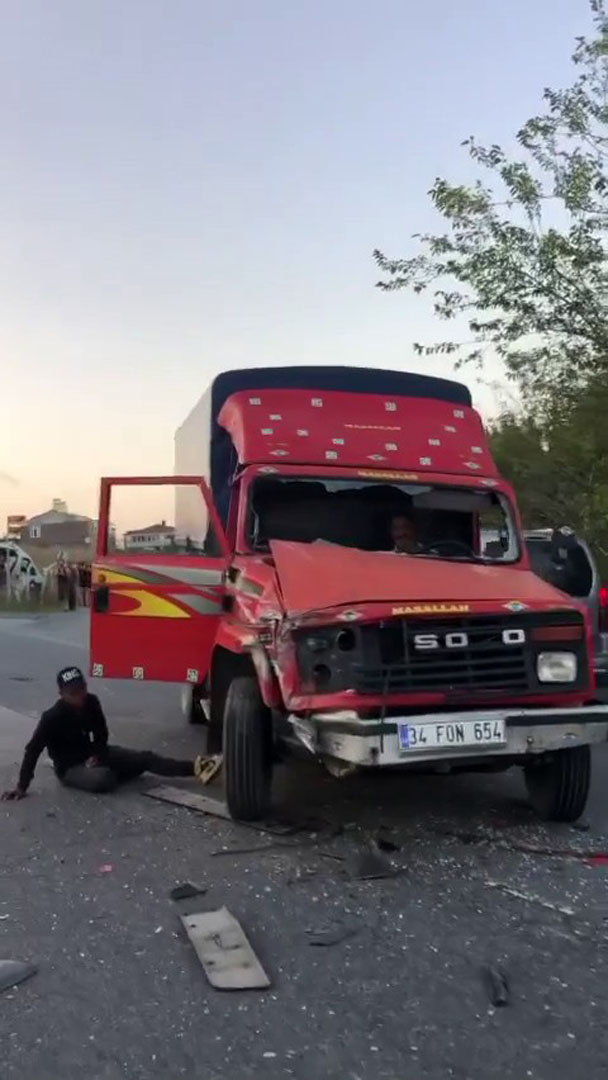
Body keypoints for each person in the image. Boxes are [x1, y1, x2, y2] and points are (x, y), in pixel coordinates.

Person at [1, 666, 201, 799]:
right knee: (103, 779)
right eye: (73, 693)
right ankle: (117, 772)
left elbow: (101, 732)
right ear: (62, 694)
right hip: (70, 767)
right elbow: (32, 750)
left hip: (95, 755)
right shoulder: (51, 718)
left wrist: (97, 754)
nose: (80, 696)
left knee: (145, 758)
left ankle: (197, 768)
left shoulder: (92, 702)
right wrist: (22, 786)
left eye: (82, 689)